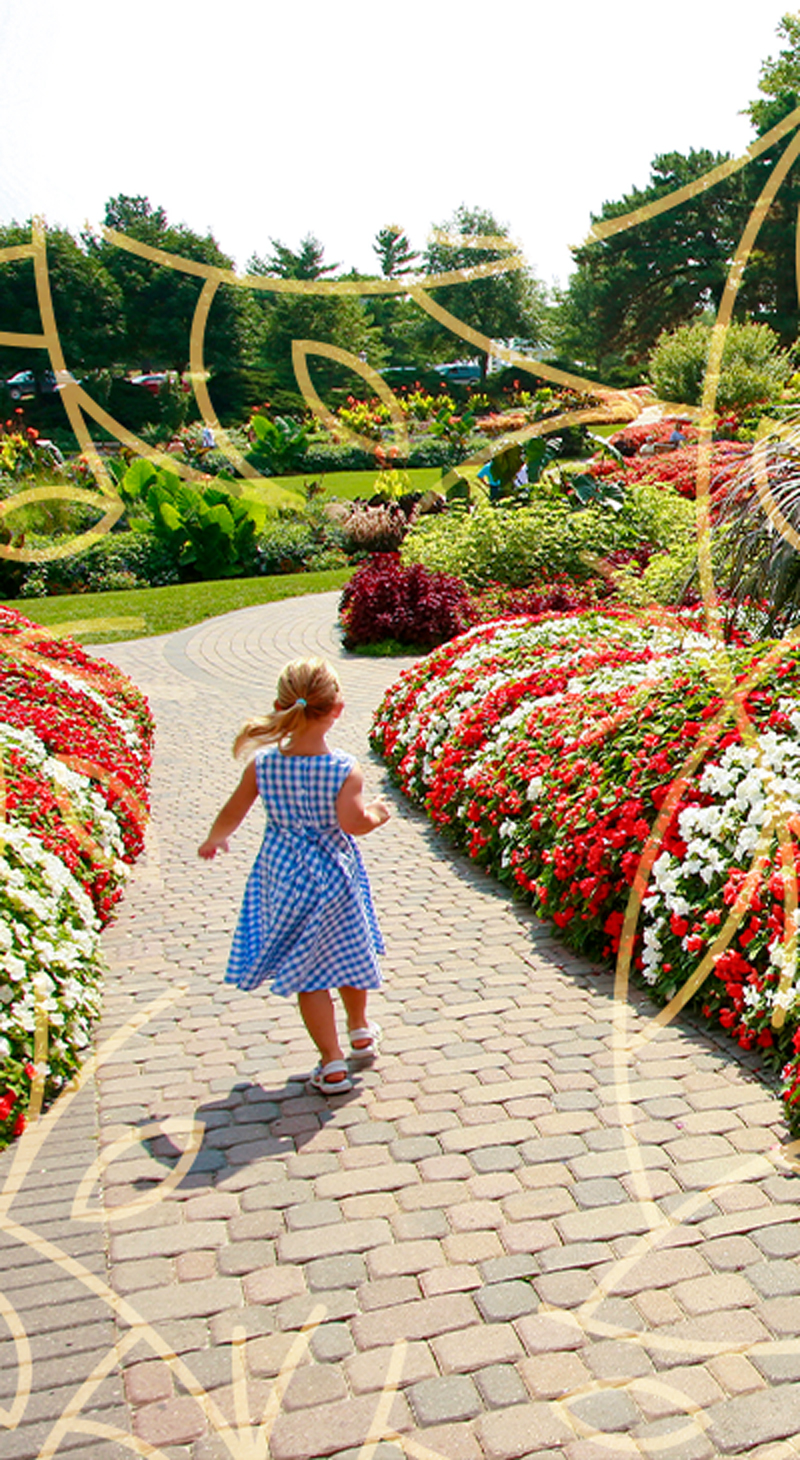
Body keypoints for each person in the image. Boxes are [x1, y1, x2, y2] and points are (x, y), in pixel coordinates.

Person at [198, 658, 391, 1095]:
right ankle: (359, 1026)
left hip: (284, 875)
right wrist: (378, 814)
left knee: (310, 973)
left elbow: (235, 809)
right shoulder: (344, 767)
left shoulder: (264, 764)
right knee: (346, 952)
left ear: (281, 705)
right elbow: (352, 823)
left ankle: (332, 1059)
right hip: (334, 877)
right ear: (337, 709)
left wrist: (217, 837)